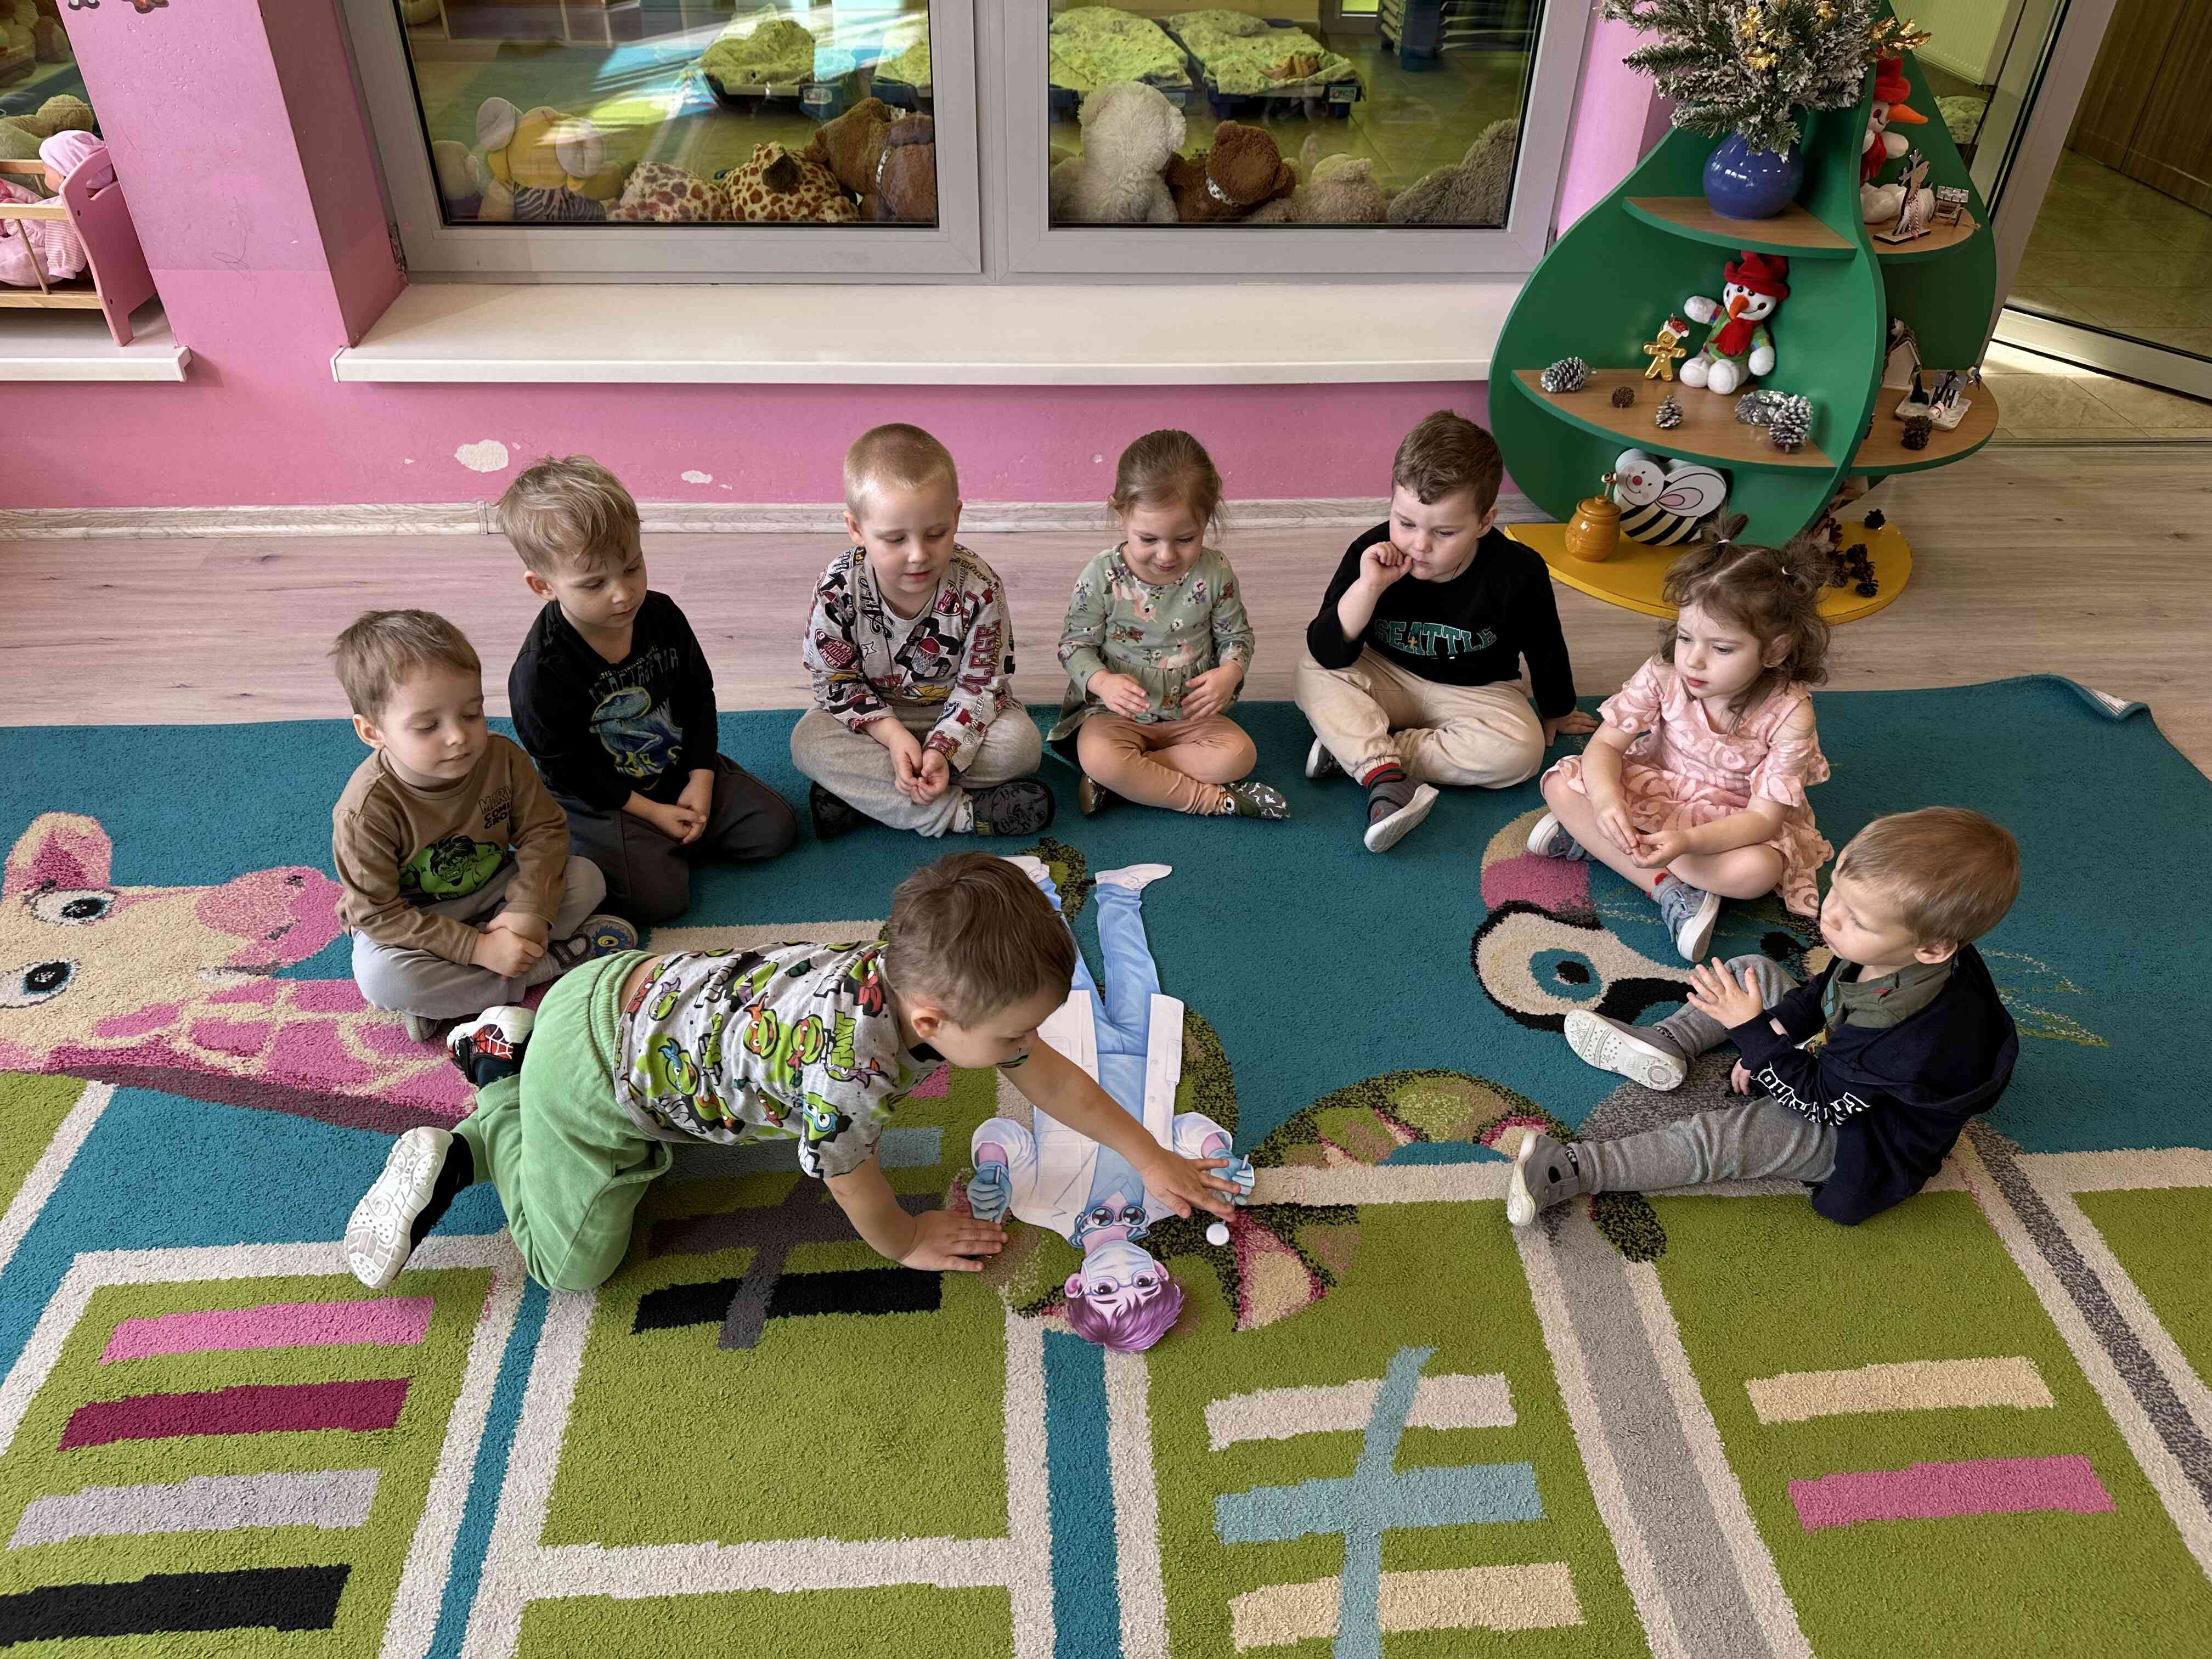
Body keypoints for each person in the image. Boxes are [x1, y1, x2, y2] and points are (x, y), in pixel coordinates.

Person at [342, 853, 1240, 1295]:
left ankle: (510, 1055)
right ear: (932, 1022)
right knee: (571, 1265)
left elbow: (1054, 1079)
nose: (1031, 1042)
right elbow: (850, 1179)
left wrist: (1149, 1153)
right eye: (1017, 1031)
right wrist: (905, 1239)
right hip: (598, 1080)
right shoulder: (851, 1074)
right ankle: (495, 1099)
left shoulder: (901, 966)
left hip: (616, 988)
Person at [1510, 807, 2021, 1229]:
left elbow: (1819, 1103)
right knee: (1750, 971)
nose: (1829, 916)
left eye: (1857, 920)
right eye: (1837, 891)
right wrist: (1776, 1029)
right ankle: (1669, 1040)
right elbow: (1829, 988)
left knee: (1725, 1138)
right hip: (1840, 1065)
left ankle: (1572, 1169)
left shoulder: (1899, 1038)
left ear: (1932, 949)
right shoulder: (1905, 953)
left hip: (1859, 1134)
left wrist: (1757, 1039)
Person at [967, 860, 1256, 1352]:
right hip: (1147, 1061)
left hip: (1070, 1059)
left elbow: (1004, 1135)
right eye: (1142, 1283)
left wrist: (992, 1169)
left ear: (1075, 1285)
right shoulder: (1170, 1202)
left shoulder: (1037, 1205)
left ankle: (1038, 887)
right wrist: (1220, 1156)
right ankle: (1120, 893)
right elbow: (1184, 1128)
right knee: (1138, 973)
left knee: (1063, 971)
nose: (1123, 1273)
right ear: (1159, 1271)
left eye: (1106, 1290)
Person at [504, 454, 795, 926]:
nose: (623, 594)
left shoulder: (662, 615)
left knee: (774, 829)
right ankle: (620, 843)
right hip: (603, 798)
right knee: (661, 902)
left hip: (675, 769)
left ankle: (672, 838)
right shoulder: (540, 672)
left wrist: (701, 778)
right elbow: (570, 771)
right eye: (594, 584)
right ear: (543, 586)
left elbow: (698, 697)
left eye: (632, 567)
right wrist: (654, 814)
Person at [1527, 514, 1834, 961]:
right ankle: (1669, 889)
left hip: (1730, 820)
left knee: (1757, 872)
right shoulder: (1665, 670)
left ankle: (1601, 843)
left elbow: (1763, 820)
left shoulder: (1791, 713)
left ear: (1775, 650)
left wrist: (1686, 843)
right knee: (1559, 783)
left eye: (1722, 648)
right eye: (1687, 637)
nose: (1694, 660)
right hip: (1656, 784)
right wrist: (1608, 801)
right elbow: (1607, 746)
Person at [1296, 409, 1594, 853]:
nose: (1419, 545)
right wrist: (1369, 587)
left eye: (1445, 532)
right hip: (1386, 675)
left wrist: (1557, 707)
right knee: (1310, 671)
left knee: (1523, 752)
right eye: (1406, 523)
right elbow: (1328, 652)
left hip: (1478, 690)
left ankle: (1359, 750)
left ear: (1485, 522)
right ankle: (1383, 772)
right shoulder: (1370, 550)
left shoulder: (1519, 571)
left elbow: (1545, 644)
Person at [330, 609, 633, 1043]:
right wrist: (479, 948)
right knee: (382, 979)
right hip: (417, 919)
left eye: (472, 714)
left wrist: (529, 909)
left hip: (493, 891)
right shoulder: (364, 812)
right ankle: (545, 966)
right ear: (372, 732)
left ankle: (450, 998)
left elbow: (543, 832)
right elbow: (378, 914)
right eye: (428, 726)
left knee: (587, 877)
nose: (458, 736)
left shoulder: (502, 758)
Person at [791, 424, 1054, 840]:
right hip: (873, 723)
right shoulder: (836, 588)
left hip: (956, 713)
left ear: (956, 517)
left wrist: (942, 750)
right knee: (808, 741)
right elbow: (834, 681)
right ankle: (961, 814)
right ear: (856, 529)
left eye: (936, 534)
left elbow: (982, 684)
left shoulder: (979, 587)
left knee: (1022, 747)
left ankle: (865, 798)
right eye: (895, 539)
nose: (918, 555)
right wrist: (893, 736)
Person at [1047, 430, 1287, 821]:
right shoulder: (1102, 574)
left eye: (1186, 538)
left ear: (1208, 517)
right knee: (1099, 755)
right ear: (1121, 514)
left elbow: (1236, 636)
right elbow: (1074, 645)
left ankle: (1126, 780)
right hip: (1117, 716)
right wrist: (1103, 683)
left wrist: (1230, 673)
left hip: (1189, 716)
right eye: (1148, 539)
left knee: (1240, 755)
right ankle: (1213, 801)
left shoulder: (1215, 571)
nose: (1166, 555)